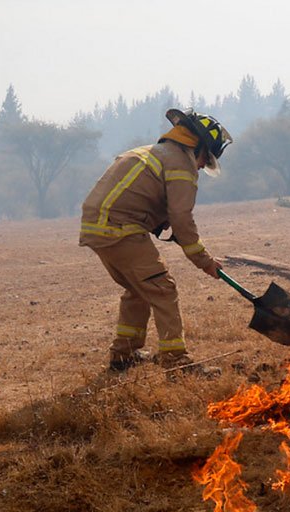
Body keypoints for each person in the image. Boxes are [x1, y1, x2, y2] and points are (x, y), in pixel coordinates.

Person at [79, 108, 232, 373]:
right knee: (162, 288)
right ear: (197, 147)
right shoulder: (181, 164)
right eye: (205, 160)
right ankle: (176, 362)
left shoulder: (154, 152)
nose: (200, 167)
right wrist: (204, 261)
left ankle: (123, 356)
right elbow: (182, 217)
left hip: (97, 226)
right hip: (120, 228)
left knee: (140, 289)